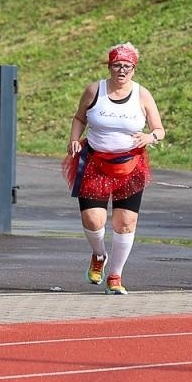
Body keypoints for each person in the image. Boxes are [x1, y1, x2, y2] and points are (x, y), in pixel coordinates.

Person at [64, 42, 166, 296]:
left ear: (134, 69)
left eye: (127, 67)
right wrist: (74, 139)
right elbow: (79, 118)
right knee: (93, 219)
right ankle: (99, 255)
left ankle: (115, 276)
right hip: (95, 163)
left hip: (130, 165)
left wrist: (149, 138)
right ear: (109, 67)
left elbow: (159, 130)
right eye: (117, 65)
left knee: (126, 222)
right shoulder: (94, 91)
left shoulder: (142, 95)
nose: (122, 71)